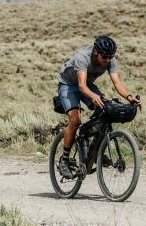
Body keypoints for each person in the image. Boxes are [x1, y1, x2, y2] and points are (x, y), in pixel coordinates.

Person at [56, 35, 141, 179]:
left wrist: (129, 97)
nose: (108, 60)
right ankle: (64, 160)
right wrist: (93, 96)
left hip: (87, 85)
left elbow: (117, 83)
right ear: (96, 52)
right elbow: (81, 86)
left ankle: (94, 150)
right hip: (69, 85)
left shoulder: (110, 59)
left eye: (110, 57)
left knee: (105, 108)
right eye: (105, 57)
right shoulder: (82, 57)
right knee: (75, 120)